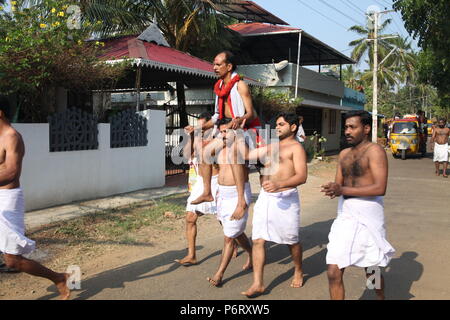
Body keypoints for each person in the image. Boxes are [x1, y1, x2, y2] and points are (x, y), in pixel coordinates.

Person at [0, 97, 71, 299]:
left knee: (12, 260)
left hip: (7, 199)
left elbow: (12, 172)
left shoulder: (12, 137)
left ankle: (59, 278)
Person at [321, 110, 395, 300]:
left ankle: (379, 296)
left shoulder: (375, 151)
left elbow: (380, 188)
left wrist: (342, 190)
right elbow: (339, 184)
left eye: (352, 127)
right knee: (333, 270)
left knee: (372, 271)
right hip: (345, 216)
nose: (347, 131)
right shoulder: (344, 154)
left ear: (366, 128)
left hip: (369, 216)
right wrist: (333, 188)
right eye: (346, 127)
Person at [241, 112, 307, 297]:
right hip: (266, 198)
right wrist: (238, 133)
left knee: (291, 240)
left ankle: (298, 270)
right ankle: (258, 283)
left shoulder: (296, 148)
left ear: (293, 127)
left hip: (286, 198)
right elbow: (248, 155)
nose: (277, 127)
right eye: (277, 124)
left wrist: (279, 184)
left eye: (281, 124)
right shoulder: (272, 146)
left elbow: (302, 176)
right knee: (258, 239)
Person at [191, 51, 262, 222]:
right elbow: (216, 117)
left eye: (217, 64)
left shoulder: (241, 85)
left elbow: (251, 114)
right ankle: (207, 192)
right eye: (214, 64)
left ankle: (241, 201)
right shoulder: (220, 87)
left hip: (244, 128)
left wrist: (236, 121)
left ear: (229, 66)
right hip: (225, 127)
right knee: (203, 152)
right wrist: (196, 127)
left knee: (234, 154)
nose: (214, 67)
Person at [204, 118, 253, 287]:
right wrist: (219, 138)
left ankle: (219, 275)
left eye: (226, 131)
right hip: (223, 195)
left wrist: (241, 202)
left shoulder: (240, 145)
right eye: (221, 132)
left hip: (237, 196)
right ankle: (253, 252)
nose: (223, 135)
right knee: (236, 233)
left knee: (228, 238)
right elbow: (204, 153)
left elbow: (247, 155)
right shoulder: (221, 148)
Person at [175, 112, 224, 265]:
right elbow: (186, 155)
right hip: (200, 183)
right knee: (190, 218)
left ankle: (234, 241)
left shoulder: (218, 138)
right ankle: (192, 254)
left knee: (224, 219)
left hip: (217, 182)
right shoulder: (197, 138)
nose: (200, 129)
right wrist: (190, 137)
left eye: (202, 126)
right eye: (198, 126)